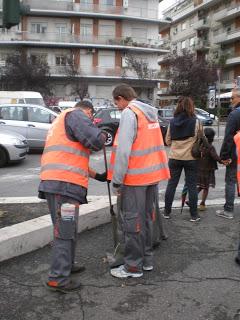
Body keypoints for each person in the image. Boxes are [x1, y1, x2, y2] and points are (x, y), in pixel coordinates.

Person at [38, 100, 106, 292]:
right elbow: (95, 140)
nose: (90, 119)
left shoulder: (61, 120)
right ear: (88, 111)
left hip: (57, 183)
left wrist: (98, 176)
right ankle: (57, 278)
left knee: (67, 228)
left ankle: (66, 265)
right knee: (65, 232)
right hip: (64, 186)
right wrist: (101, 133)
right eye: (91, 116)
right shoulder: (76, 115)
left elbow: (70, 157)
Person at [108, 84, 170, 279]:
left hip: (135, 178)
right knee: (145, 219)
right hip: (153, 175)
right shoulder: (148, 113)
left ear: (120, 98)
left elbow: (124, 151)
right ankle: (147, 260)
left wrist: (117, 181)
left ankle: (132, 267)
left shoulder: (129, 113)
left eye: (116, 102)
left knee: (132, 221)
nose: (117, 107)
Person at [163, 96, 201, 222]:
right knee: (191, 186)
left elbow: (167, 141)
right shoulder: (196, 122)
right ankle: (194, 215)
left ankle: (167, 212)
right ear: (191, 107)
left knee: (171, 185)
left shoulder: (172, 122)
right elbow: (201, 139)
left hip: (174, 158)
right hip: (191, 158)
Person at [216, 89, 240, 220]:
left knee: (230, 181)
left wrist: (224, 156)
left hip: (236, 153)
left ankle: (228, 210)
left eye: (232, 98)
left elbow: (228, 138)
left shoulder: (234, 114)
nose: (231, 101)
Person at [197, 128, 222, 211]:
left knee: (200, 186)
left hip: (200, 169)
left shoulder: (200, 146)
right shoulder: (210, 147)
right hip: (208, 170)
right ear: (212, 137)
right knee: (206, 188)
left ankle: (191, 199)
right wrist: (222, 161)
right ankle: (202, 204)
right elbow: (215, 157)